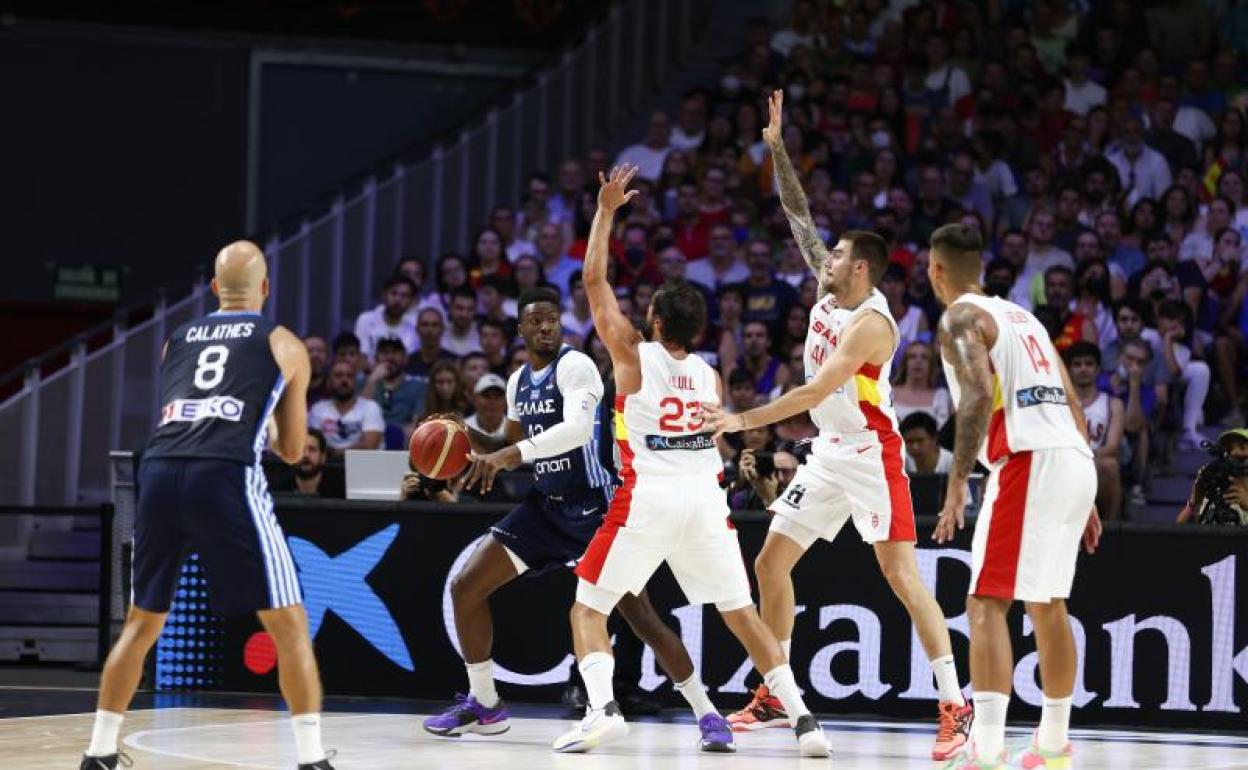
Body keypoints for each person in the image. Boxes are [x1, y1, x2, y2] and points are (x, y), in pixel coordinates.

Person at [708, 93, 969, 761]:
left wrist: (743, 419)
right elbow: (799, 215)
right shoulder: (830, 288)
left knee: (902, 578)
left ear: (861, 270)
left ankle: (954, 704)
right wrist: (777, 149)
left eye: (835, 258)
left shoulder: (873, 324)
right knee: (770, 562)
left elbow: (816, 389)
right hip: (828, 451)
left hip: (872, 455)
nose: (822, 262)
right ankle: (776, 690)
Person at [562, 164, 829, 757]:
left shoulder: (634, 356)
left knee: (587, 607)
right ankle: (806, 720)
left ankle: (602, 709)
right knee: (741, 613)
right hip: (705, 502)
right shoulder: (708, 373)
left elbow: (594, 282)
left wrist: (606, 211)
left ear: (655, 322)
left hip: (648, 496)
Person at [422, 287, 727, 752]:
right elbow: (510, 442)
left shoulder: (577, 365)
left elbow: (576, 430)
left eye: (552, 319)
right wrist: (462, 437)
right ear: (520, 329)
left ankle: (707, 712)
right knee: (466, 585)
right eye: (535, 321)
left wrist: (508, 453)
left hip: (595, 507)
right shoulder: (517, 381)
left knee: (641, 617)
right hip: (546, 505)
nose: (545, 327)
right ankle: (485, 703)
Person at [81, 242, 334, 770]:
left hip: (157, 468)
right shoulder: (283, 342)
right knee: (288, 625)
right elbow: (292, 450)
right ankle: (312, 761)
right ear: (265, 289)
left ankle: (99, 752)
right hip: (223, 472)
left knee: (141, 623)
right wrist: (264, 427)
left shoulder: (177, 338)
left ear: (215, 290)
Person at [927, 223, 1101, 770]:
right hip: (1072, 458)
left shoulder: (959, 317)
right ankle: (1052, 743)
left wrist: (956, 481)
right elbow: (1071, 396)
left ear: (936, 271)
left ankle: (987, 749)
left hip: (1026, 458)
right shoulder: (1024, 317)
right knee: (1047, 603)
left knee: (984, 602)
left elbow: (977, 394)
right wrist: (1086, 489)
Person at [1065, 342, 1125, 520]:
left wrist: (1083, 456)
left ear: (1098, 369)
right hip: (1064, 462)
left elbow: (1112, 447)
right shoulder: (1058, 403)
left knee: (1110, 465)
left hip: (1096, 463)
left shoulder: (1113, 404)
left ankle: (1109, 527)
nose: (1083, 369)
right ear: (1067, 370)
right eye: (1077, 364)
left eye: (1089, 364)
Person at [308, 360, 384, 457]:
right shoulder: (318, 409)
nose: (344, 380)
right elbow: (315, 445)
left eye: (349, 376)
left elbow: (369, 447)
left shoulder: (370, 407)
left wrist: (334, 452)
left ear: (355, 381)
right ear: (329, 381)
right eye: (338, 375)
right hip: (327, 466)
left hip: (363, 465)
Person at [1177, 428, 1248, 525]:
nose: (1234, 453)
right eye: (1229, 450)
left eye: (1242, 447)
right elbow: (1179, 532)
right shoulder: (1216, 489)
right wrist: (1194, 502)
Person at [364, 338, 427, 430]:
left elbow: (416, 425)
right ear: (376, 358)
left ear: (405, 358)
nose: (390, 357)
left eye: (395, 352)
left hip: (403, 441)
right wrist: (372, 380)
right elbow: (356, 418)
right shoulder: (365, 383)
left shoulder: (419, 386)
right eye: (384, 352)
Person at [353, 275, 417, 365]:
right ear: (384, 295)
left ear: (412, 301)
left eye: (404, 296)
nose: (398, 300)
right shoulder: (365, 320)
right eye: (394, 293)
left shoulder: (416, 324)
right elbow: (361, 358)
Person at [463, 373, 508, 441]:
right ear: (475, 399)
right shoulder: (462, 430)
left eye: (497, 396)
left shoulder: (516, 431)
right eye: (487, 396)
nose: (492, 402)